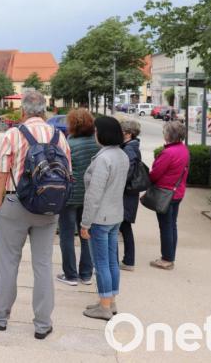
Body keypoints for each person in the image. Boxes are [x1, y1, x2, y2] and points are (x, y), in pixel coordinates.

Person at [0, 91, 71, 340]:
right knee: (43, 265)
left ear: (23, 111)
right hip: (48, 206)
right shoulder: (59, 136)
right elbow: (68, 174)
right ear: (44, 111)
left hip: (16, 204)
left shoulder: (14, 134)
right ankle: (43, 324)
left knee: (8, 262)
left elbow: (0, 174)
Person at [80, 117, 129, 321]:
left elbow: (94, 194)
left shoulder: (103, 159)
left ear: (103, 133)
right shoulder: (121, 155)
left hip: (100, 218)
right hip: (115, 215)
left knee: (101, 263)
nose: (94, 134)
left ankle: (104, 307)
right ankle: (110, 301)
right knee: (111, 262)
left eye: (96, 131)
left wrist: (85, 223)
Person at [56, 109, 99, 287]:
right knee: (87, 234)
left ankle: (70, 275)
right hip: (90, 195)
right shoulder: (97, 143)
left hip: (70, 195)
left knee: (66, 235)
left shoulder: (68, 144)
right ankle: (86, 274)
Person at [149, 121, 190, 270]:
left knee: (166, 226)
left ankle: (167, 259)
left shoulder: (168, 153)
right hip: (177, 192)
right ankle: (170, 256)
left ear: (169, 135)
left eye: (164, 132)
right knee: (172, 225)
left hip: (165, 194)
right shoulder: (184, 149)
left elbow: (155, 174)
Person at [119, 119, 142, 271]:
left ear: (128, 134)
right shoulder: (130, 147)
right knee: (124, 226)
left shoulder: (129, 149)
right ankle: (128, 260)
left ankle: (129, 261)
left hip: (126, 194)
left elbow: (126, 173)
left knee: (124, 226)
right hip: (128, 194)